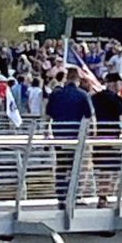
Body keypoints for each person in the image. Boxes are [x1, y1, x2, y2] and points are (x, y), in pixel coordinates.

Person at [46, 68, 94, 203]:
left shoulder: (56, 95)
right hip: (76, 135)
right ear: (77, 80)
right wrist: (91, 133)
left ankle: (61, 194)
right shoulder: (83, 95)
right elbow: (89, 116)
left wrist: (45, 131)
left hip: (59, 135)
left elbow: (48, 115)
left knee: (61, 164)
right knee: (76, 166)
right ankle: (74, 195)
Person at [90, 72, 122, 205]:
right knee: (111, 170)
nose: (121, 85)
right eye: (119, 82)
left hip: (97, 138)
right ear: (113, 83)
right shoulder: (117, 100)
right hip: (112, 138)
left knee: (101, 169)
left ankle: (102, 195)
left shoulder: (95, 98)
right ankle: (104, 196)